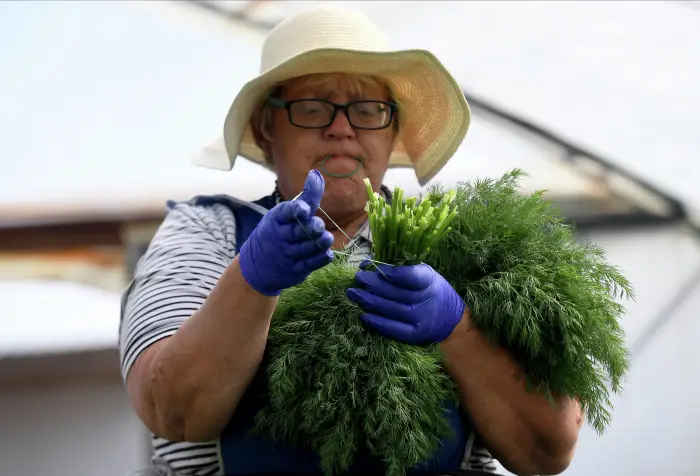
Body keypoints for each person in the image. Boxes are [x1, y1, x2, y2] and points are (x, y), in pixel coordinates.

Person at [119, 6, 583, 476]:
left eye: (367, 110)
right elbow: (172, 412)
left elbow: (547, 453)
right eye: (312, 107)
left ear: (392, 128)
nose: (342, 128)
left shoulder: (470, 246)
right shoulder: (208, 232)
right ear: (265, 127)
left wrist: (458, 327)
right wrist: (250, 280)